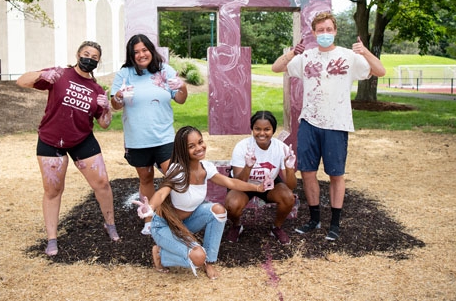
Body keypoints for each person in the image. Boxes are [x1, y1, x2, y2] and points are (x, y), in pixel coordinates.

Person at [271, 12, 386, 241]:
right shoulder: (306, 57)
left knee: (336, 174)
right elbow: (276, 67)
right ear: (314, 33)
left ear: (335, 31)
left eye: (328, 29)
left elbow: (380, 71)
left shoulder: (348, 56)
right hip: (309, 122)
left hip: (337, 123)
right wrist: (293, 51)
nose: (325, 34)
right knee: (308, 173)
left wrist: (364, 51)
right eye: (320, 30)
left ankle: (334, 223)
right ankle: (314, 219)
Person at [16, 40, 118, 257]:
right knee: (53, 190)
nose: (89, 59)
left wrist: (106, 108)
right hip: (51, 140)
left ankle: (110, 224)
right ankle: (52, 238)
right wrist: (40, 76)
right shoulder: (59, 74)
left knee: (102, 183)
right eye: (86, 54)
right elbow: (21, 81)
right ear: (78, 54)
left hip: (82, 139)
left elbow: (104, 123)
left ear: (98, 62)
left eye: (94, 57)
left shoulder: (96, 89)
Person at [132, 126, 271, 280]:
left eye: (200, 142)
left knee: (218, 211)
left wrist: (258, 187)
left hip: (187, 223)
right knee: (197, 257)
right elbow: (161, 192)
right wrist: (150, 208)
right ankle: (160, 254)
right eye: (191, 146)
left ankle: (209, 261)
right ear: (183, 150)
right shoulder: (177, 171)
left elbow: (230, 182)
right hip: (165, 226)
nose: (199, 148)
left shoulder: (206, 168)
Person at [110, 34, 188, 236]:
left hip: (164, 137)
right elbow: (116, 106)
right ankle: (149, 218)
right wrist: (118, 97)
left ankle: (178, 217)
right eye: (136, 52)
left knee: (174, 177)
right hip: (138, 139)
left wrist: (182, 87)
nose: (141, 54)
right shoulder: (124, 74)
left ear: (151, 51)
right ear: (131, 55)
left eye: (144, 50)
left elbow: (180, 99)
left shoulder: (165, 71)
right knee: (145, 178)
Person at [224, 111, 297, 245]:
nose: (262, 133)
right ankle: (236, 226)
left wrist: (289, 168)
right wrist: (248, 166)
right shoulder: (242, 147)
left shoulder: (281, 148)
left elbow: (291, 186)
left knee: (288, 197)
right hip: (243, 183)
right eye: (257, 129)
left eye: (267, 129)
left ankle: (277, 227)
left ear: (273, 130)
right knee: (232, 205)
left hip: (268, 182)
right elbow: (239, 181)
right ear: (252, 129)